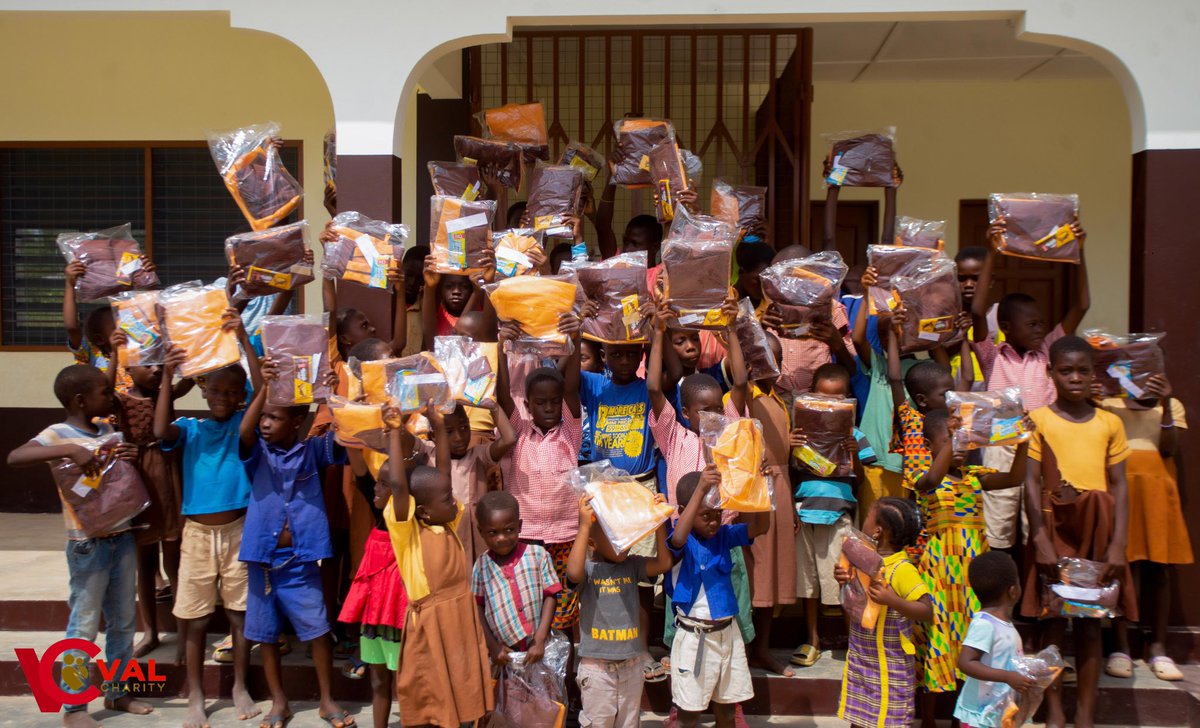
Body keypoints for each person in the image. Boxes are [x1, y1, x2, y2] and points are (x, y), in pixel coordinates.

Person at [7, 365, 155, 728]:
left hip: (121, 537)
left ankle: (118, 692)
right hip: (87, 545)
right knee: (84, 625)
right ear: (79, 400)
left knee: (123, 622)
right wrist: (72, 449)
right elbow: (15, 456)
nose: (111, 397)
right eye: (105, 392)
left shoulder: (107, 429)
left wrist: (127, 459)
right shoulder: (58, 433)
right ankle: (73, 707)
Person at [153, 315, 261, 728]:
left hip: (239, 531)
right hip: (197, 534)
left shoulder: (241, 425)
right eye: (216, 390)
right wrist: (167, 375)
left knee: (239, 613)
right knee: (195, 618)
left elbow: (258, 395)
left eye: (232, 392)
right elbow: (161, 428)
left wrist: (241, 341)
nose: (223, 397)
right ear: (203, 390)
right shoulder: (189, 429)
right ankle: (196, 693)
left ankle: (239, 685)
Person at [1021, 336, 1134, 728]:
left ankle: (1085, 713)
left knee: (1090, 623)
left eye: (1083, 371)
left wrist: (1118, 544)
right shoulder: (1038, 419)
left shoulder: (1110, 422)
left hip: (1097, 531)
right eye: (1066, 370)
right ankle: (1053, 711)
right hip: (1054, 529)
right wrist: (1039, 538)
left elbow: (1120, 485)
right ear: (1050, 373)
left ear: (1093, 375)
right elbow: (1031, 482)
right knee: (1051, 621)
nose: (1075, 378)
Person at [237, 357, 354, 728]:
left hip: (301, 562)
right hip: (263, 562)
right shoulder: (256, 453)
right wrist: (262, 390)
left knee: (318, 631)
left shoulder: (312, 451)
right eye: (264, 417)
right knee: (265, 634)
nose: (265, 424)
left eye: (274, 418)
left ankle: (325, 699)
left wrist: (333, 395)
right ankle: (279, 702)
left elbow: (342, 440)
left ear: (297, 423)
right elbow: (244, 433)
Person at [971, 221, 1090, 551]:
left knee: (1039, 528)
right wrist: (993, 253)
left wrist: (1079, 250)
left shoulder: (1050, 349)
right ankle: (1003, 599)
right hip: (1001, 445)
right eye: (1032, 323)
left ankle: (1033, 599)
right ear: (1006, 327)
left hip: (1044, 445)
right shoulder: (992, 355)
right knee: (998, 530)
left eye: (1041, 322)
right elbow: (977, 310)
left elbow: (1082, 305)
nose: (1041, 327)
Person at [911, 408, 1032, 727]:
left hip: (974, 576)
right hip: (940, 573)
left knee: (971, 641)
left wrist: (1022, 441)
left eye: (966, 442)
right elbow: (932, 480)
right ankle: (927, 719)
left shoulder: (976, 475)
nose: (961, 448)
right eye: (952, 441)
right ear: (929, 445)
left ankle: (961, 717)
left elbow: (1015, 478)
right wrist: (957, 433)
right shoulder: (922, 474)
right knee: (937, 639)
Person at [383, 416, 493, 727]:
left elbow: (443, 470)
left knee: (461, 693)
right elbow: (397, 484)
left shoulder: (446, 523)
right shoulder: (408, 533)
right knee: (432, 696)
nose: (453, 501)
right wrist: (394, 431)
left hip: (459, 620)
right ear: (423, 510)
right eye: (447, 498)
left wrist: (436, 421)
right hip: (430, 625)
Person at [495, 312, 584, 635]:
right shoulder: (518, 430)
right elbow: (503, 394)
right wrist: (501, 345)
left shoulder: (570, 432)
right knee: (529, 614)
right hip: (527, 538)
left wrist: (575, 340)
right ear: (528, 406)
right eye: (540, 403)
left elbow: (571, 386)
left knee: (564, 614)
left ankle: (567, 682)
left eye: (554, 402)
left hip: (566, 538)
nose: (549, 408)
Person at [106, 329, 193, 659]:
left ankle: (184, 633)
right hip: (139, 479)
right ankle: (151, 631)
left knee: (175, 560)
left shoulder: (166, 393)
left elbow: (188, 379)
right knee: (145, 563)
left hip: (168, 478)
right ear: (129, 370)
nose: (156, 370)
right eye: (148, 365)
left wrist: (176, 361)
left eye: (159, 364)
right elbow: (104, 389)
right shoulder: (122, 400)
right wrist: (115, 352)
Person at [1101, 373, 1191, 681]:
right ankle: (1121, 646)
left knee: (1159, 569)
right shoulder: (1109, 405)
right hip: (1122, 493)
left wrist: (1165, 402)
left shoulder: (1172, 405)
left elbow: (1168, 448)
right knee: (1123, 569)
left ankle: (1158, 647)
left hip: (1157, 493)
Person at [666, 469, 771, 728]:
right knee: (689, 714)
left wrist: (761, 484)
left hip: (727, 635)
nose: (714, 521)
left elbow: (761, 526)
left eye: (718, 514)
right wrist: (701, 488)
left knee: (726, 711)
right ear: (685, 510)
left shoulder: (724, 535)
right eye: (706, 515)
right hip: (694, 638)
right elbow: (678, 537)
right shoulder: (681, 540)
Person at [788, 363, 876, 669]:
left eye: (838, 399)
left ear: (848, 399)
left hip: (837, 515)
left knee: (842, 580)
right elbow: (790, 472)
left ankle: (854, 642)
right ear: (811, 396)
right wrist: (790, 446)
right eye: (824, 398)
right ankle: (812, 640)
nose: (830, 406)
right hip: (804, 512)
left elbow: (861, 480)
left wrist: (852, 453)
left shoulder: (854, 434)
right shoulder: (799, 431)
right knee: (808, 582)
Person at [566, 491, 673, 728]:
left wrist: (659, 522)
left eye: (625, 534)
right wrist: (584, 526)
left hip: (632, 668)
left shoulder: (632, 565)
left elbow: (664, 563)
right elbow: (572, 574)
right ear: (592, 543)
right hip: (597, 671)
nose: (624, 541)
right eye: (614, 537)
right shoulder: (588, 570)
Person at [338, 418, 411, 728]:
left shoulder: (407, 519)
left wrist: (395, 432)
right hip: (374, 614)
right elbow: (359, 469)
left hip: (399, 614)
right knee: (378, 681)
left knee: (405, 683)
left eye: (386, 484)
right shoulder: (377, 507)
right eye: (378, 484)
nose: (378, 489)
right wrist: (345, 418)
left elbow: (396, 485)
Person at [837, 497, 934, 728]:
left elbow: (927, 611)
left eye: (868, 518)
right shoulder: (861, 561)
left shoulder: (903, 569)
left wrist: (893, 600)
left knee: (889, 721)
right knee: (859, 719)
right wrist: (844, 582)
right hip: (861, 660)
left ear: (878, 531)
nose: (864, 523)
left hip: (890, 665)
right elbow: (852, 608)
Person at [471, 490, 561, 668]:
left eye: (509, 530)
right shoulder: (481, 566)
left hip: (538, 650)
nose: (502, 538)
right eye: (493, 533)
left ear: (520, 526)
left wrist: (540, 639)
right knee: (508, 695)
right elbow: (477, 608)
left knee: (545, 695)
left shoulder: (537, 555)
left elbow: (551, 596)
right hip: (505, 655)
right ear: (481, 532)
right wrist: (493, 646)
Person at [953, 551, 1035, 728]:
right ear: (1013, 591)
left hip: (998, 711)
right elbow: (966, 662)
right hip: (981, 716)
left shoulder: (1004, 624)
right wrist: (1007, 676)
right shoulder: (985, 624)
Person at [440, 403, 516, 564]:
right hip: (445, 536)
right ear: (434, 434)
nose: (459, 437)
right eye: (449, 432)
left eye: (464, 427)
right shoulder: (428, 453)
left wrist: (493, 406)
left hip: (477, 536)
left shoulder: (478, 454)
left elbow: (509, 438)